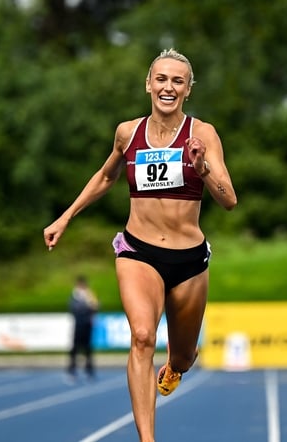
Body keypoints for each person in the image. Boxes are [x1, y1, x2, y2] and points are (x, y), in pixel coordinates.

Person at [43, 48, 237, 441]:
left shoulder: (203, 134)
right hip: (138, 250)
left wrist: (201, 168)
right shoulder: (127, 132)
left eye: (177, 81)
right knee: (143, 337)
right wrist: (66, 216)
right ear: (149, 84)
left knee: (183, 356)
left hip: (189, 260)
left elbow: (228, 198)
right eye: (161, 79)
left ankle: (175, 368)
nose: (168, 87)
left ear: (188, 90)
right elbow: (105, 177)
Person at [67, 275, 99, 382]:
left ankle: (89, 371)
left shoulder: (90, 295)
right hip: (78, 325)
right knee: (75, 349)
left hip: (87, 325)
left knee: (88, 349)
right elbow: (74, 308)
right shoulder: (74, 295)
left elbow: (96, 306)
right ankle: (72, 370)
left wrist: (90, 301)